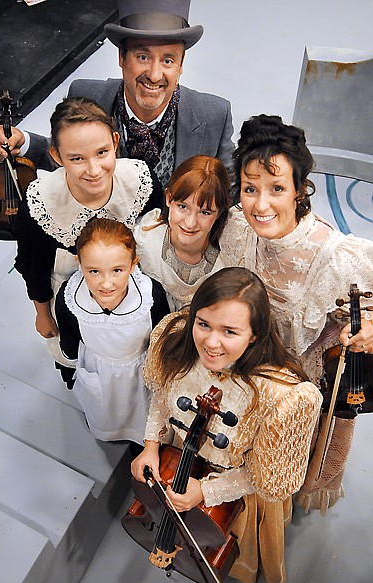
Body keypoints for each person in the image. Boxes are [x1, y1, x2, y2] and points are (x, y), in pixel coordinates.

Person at [131, 267, 322, 583]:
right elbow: (163, 395)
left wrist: (205, 493)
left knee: (227, 535)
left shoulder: (279, 397)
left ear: (255, 335)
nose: (211, 342)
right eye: (203, 323)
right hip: (182, 452)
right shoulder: (179, 339)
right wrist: (150, 446)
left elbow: (262, 478)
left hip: (234, 483)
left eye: (229, 331)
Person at [220, 113, 373, 511]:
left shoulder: (338, 257)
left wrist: (369, 327)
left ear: (299, 190)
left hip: (296, 394)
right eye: (250, 189)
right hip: (238, 371)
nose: (261, 204)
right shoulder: (238, 227)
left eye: (276, 188)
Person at [0, 0, 235, 190]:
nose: (154, 74)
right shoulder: (85, 95)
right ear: (121, 58)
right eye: (142, 57)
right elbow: (67, 156)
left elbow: (230, 192)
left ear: (181, 65)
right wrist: (26, 143)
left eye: (168, 60)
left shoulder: (213, 114)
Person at [14, 96, 160, 355]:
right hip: (69, 296)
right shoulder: (41, 203)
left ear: (115, 142)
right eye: (77, 159)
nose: (94, 170)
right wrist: (43, 314)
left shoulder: (139, 179)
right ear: (57, 156)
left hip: (131, 284)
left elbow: (159, 234)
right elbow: (33, 265)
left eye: (102, 153)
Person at [54, 217, 169, 444]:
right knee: (104, 411)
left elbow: (161, 337)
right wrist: (71, 371)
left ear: (133, 264)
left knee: (140, 412)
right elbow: (70, 344)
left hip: (139, 370)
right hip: (98, 368)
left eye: (117, 270)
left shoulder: (150, 296)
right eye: (94, 271)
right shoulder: (69, 299)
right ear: (80, 263)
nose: (106, 284)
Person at [134, 155, 239, 311]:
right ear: (169, 199)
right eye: (183, 207)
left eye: (205, 212)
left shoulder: (229, 259)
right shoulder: (145, 241)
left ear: (219, 213)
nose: (190, 223)